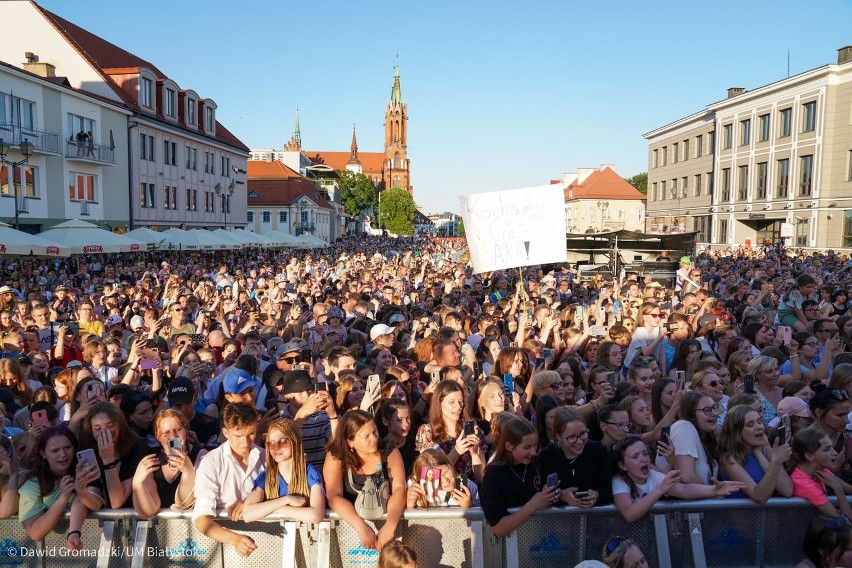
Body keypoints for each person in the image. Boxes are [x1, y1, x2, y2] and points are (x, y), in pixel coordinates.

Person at [324, 410, 406, 551]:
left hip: (390, 530)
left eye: (374, 432)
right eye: (366, 436)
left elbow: (399, 489)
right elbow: (334, 496)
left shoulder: (390, 451)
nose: (374, 439)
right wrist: (360, 526)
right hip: (348, 534)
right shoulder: (336, 457)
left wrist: (390, 526)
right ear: (350, 441)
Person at [611, 436, 744, 522]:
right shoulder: (619, 481)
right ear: (622, 465)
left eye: (645, 454)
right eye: (635, 456)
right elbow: (629, 514)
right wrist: (659, 490)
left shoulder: (653, 475)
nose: (643, 459)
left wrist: (713, 490)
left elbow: (683, 489)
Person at [194, 403, 264, 557]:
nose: (245, 443)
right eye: (238, 436)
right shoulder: (210, 463)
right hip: (220, 549)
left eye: (251, 434)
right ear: (225, 432)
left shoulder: (267, 457)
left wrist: (249, 503)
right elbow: (201, 519)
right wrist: (235, 540)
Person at [18, 425, 103, 549]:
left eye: (67, 447)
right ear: (43, 453)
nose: (63, 454)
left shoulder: (85, 470)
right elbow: (35, 533)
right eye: (55, 450)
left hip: (95, 546)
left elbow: (96, 504)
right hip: (49, 554)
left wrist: (81, 490)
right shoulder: (32, 483)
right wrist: (63, 498)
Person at [479, 416, 560, 537]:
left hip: (540, 538)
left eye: (535, 445)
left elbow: (542, 493)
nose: (533, 452)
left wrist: (554, 494)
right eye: (527, 447)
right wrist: (532, 505)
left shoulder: (536, 462)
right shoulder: (494, 475)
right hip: (511, 546)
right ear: (509, 446)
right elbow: (498, 528)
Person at [242, 418, 325, 523]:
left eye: (282, 442)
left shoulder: (309, 472)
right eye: (271, 444)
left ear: (294, 441)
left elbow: (316, 516)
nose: (276, 447)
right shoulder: (266, 476)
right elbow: (248, 514)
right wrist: (286, 500)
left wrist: (279, 508)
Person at [131, 408, 201, 517]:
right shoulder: (152, 463)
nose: (173, 436)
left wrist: (188, 471)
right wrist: (137, 483)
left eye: (178, 429)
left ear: (186, 430)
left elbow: (185, 505)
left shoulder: (200, 457)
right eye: (166, 432)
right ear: (158, 437)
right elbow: (149, 511)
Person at [718, 405, 794, 503]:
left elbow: (787, 490)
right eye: (750, 424)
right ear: (737, 431)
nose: (759, 427)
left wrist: (759, 454)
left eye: (759, 421)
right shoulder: (728, 459)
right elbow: (760, 497)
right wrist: (775, 463)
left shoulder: (766, 452)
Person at [539, 407, 612, 507]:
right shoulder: (546, 457)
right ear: (558, 437)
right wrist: (562, 495)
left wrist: (596, 495)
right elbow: (541, 493)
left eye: (583, 433)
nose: (579, 441)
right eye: (572, 437)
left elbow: (608, 489)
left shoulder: (599, 451)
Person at [789, 427, 852, 518]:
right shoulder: (806, 485)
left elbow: (850, 489)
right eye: (827, 449)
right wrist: (838, 489)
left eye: (832, 448)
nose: (834, 453)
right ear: (810, 456)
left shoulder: (820, 470)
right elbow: (846, 521)